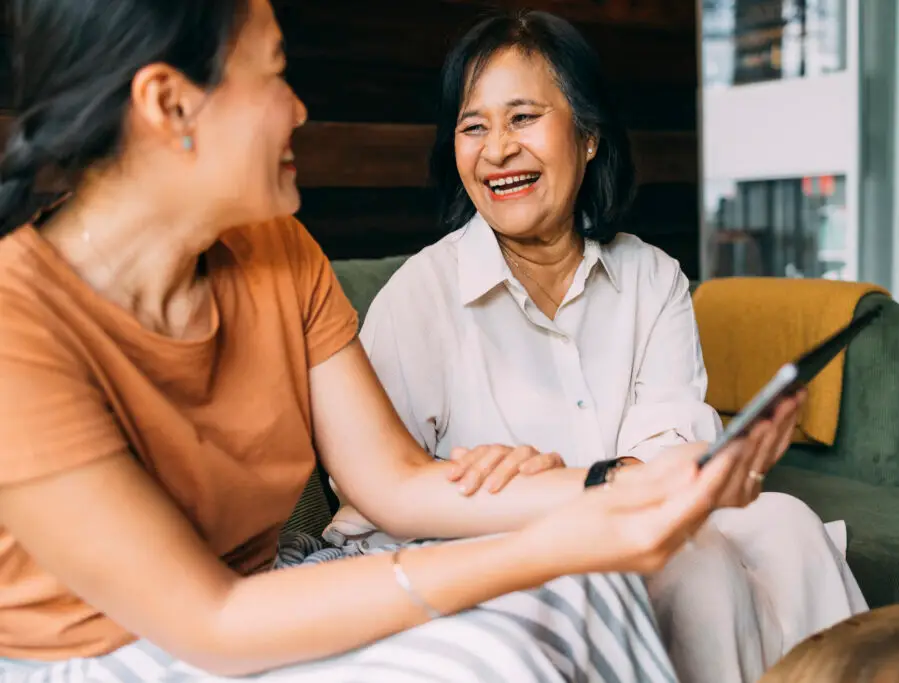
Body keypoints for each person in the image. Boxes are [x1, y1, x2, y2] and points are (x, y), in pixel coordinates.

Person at [0, 1, 804, 681]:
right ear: (170, 104)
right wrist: (555, 539)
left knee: (593, 588)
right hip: (113, 651)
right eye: (274, 72)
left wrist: (625, 485)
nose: (298, 108)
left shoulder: (277, 249)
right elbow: (211, 619)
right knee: (504, 646)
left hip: (257, 594)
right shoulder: (16, 324)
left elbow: (397, 483)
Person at [351, 11, 869, 683]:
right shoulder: (420, 295)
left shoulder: (650, 278)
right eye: (473, 126)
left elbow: (669, 444)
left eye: (523, 117)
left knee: (790, 525)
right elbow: (378, 487)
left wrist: (639, 471)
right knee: (699, 561)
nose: (497, 149)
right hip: (509, 550)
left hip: (643, 511)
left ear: (589, 135)